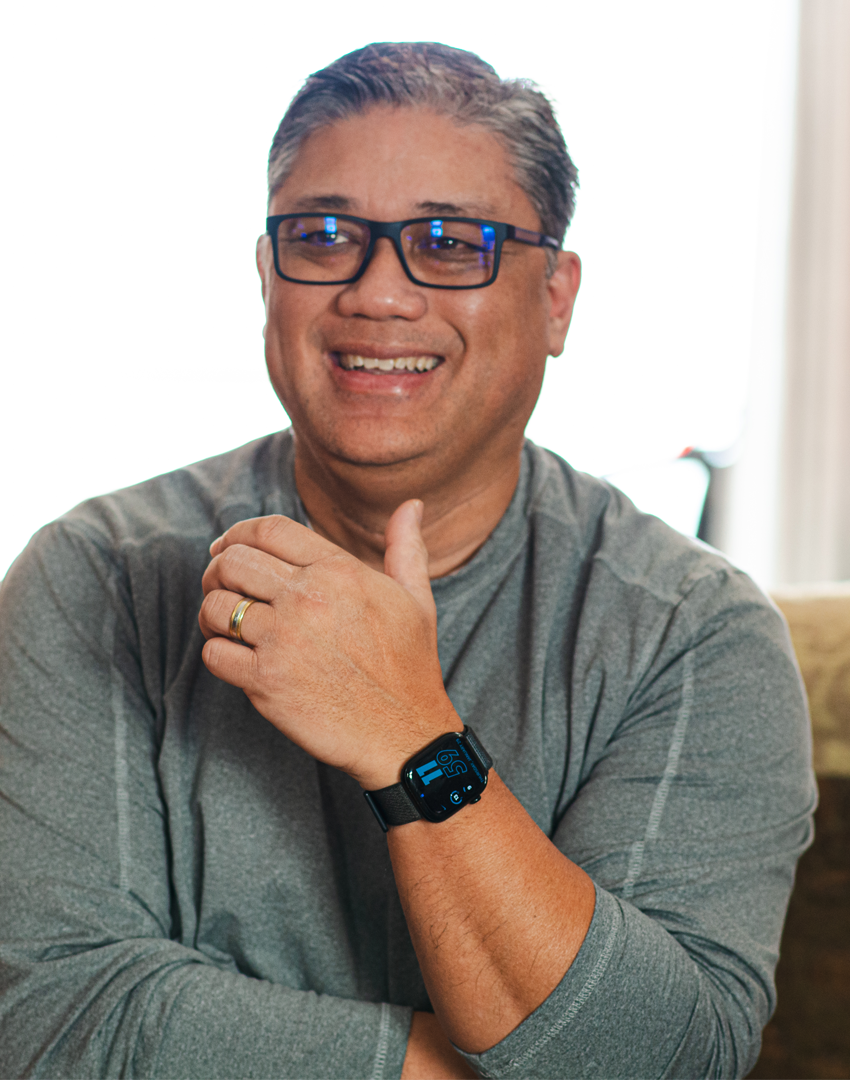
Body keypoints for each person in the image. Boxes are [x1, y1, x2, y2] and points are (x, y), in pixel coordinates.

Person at [0, 41, 814, 1080]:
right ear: (267, 277)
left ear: (556, 298)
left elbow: (665, 1058)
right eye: (323, 235)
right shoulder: (94, 579)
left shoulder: (695, 635)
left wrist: (407, 733)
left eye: (449, 242)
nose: (378, 294)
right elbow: (50, 1021)